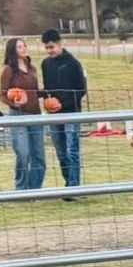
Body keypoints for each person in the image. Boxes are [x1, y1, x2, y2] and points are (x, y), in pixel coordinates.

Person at [39, 28, 88, 190]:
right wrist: (45, 98)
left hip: (71, 112)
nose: (49, 51)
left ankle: (74, 187)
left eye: (51, 47)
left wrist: (64, 104)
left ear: (60, 44)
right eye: (46, 48)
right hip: (53, 114)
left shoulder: (73, 64)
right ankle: (68, 182)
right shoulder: (45, 64)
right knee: (60, 152)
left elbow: (81, 89)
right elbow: (47, 88)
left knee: (71, 150)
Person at [0, 36, 45, 191]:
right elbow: (2, 95)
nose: (24, 48)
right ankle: (21, 189)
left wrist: (45, 94)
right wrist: (14, 103)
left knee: (39, 155)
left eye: (24, 46)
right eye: (20, 47)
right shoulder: (8, 70)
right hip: (18, 116)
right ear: (13, 51)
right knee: (23, 153)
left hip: (35, 115)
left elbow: (34, 91)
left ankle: (35, 189)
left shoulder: (32, 68)